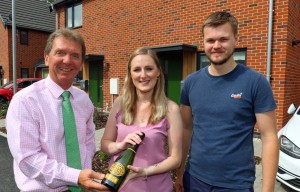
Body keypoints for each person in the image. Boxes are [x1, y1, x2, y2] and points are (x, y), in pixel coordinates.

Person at [174, 11, 279, 192]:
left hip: (235, 184)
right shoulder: (191, 82)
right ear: (203, 43)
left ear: (236, 40)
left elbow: (269, 138)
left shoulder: (255, 82)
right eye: (210, 40)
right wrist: (180, 171)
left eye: (223, 39)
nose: (216, 46)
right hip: (195, 179)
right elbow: (185, 129)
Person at [6, 28, 109, 192]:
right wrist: (74, 176)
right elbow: (28, 159)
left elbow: (88, 141)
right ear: (47, 58)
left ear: (81, 63)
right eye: (60, 53)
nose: (67, 61)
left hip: (81, 187)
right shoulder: (26, 101)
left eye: (75, 55)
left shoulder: (83, 100)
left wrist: (83, 174)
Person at [101, 47, 183, 192]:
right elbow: (105, 144)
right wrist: (121, 145)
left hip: (156, 187)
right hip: (120, 186)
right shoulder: (120, 103)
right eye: (137, 69)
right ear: (130, 74)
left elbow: (176, 158)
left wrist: (145, 171)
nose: (143, 75)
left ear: (158, 72)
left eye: (149, 69)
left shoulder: (171, 109)